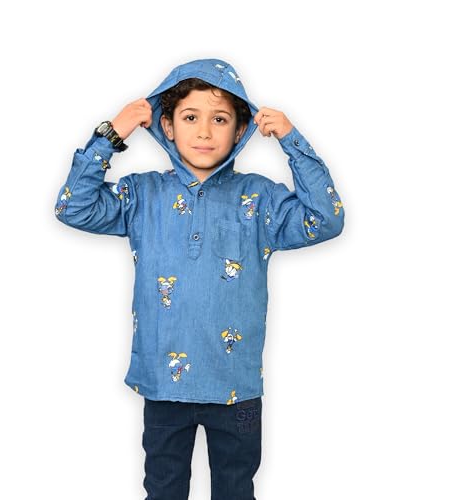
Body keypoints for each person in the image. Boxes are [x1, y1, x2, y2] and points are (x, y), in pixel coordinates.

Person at [54, 58, 345, 500]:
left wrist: (291, 139)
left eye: (220, 119)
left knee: (236, 491)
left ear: (241, 129)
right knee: (164, 491)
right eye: (190, 117)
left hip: (236, 388)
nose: (205, 132)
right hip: (163, 387)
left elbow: (325, 220)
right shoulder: (142, 195)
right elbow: (72, 207)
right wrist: (111, 134)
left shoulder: (261, 198)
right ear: (167, 126)